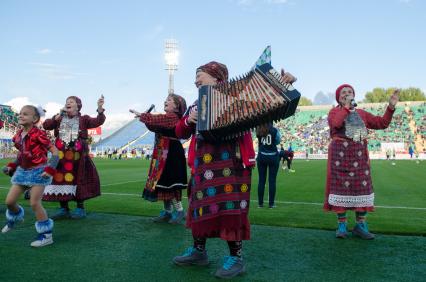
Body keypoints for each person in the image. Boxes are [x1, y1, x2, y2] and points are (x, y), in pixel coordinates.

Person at [173, 61, 296, 279]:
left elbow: (268, 107)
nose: (195, 80)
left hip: (233, 162)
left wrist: (281, 85)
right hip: (203, 164)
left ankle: (236, 258)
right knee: (199, 205)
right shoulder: (196, 104)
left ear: (217, 77)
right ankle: (199, 251)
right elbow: (180, 131)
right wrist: (188, 121)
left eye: (199, 75)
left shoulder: (241, 97)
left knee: (232, 209)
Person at [324, 84, 399, 240]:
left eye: (350, 92)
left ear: (354, 95)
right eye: (343, 92)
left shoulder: (361, 113)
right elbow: (336, 124)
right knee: (340, 190)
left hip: (359, 155)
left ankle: (360, 225)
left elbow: (382, 123)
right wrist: (346, 107)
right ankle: (342, 226)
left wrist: (390, 107)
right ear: (338, 97)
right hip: (340, 156)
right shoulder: (334, 112)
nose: (347, 94)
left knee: (362, 189)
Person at [2, 105, 59, 247]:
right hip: (22, 171)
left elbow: (55, 152)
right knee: (9, 202)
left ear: (35, 119)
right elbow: (21, 155)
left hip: (39, 171)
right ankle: (15, 218)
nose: (21, 116)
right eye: (20, 113)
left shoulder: (39, 134)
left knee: (34, 202)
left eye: (25, 114)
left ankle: (46, 235)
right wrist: (12, 166)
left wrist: (51, 168)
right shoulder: (17, 135)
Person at [42, 95, 106, 219]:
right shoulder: (59, 117)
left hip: (78, 157)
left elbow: (98, 121)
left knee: (78, 178)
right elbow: (46, 125)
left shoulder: (84, 119)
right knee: (60, 179)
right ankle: (63, 208)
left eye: (71, 101)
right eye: (67, 102)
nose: (68, 103)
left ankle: (80, 208)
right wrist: (57, 117)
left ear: (78, 105)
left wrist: (99, 109)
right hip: (61, 156)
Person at [130, 94, 188, 224]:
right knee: (162, 183)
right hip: (163, 151)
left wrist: (144, 116)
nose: (165, 101)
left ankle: (179, 211)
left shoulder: (173, 117)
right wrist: (145, 118)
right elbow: (153, 125)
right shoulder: (167, 118)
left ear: (177, 106)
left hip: (171, 152)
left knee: (171, 182)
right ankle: (168, 212)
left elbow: (158, 120)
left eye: (169, 100)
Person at [256, 123, 281, 208]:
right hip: (273, 156)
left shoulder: (259, 128)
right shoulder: (275, 130)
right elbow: (278, 141)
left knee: (261, 181)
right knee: (272, 181)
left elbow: (258, 139)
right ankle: (271, 204)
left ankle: (260, 203)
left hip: (262, 156)